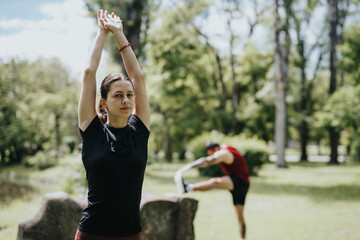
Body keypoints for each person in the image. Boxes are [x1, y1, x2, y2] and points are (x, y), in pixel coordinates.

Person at [76, 9, 150, 240]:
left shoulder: (140, 130)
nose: (126, 100)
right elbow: (89, 72)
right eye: (118, 95)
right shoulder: (91, 130)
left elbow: (138, 76)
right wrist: (102, 32)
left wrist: (119, 33)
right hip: (92, 233)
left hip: (131, 234)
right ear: (103, 103)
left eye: (129, 95)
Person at [182, 141, 250, 240]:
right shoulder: (225, 147)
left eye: (211, 153)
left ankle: (188, 187)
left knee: (215, 182)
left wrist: (189, 166)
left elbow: (209, 161)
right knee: (239, 215)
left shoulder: (223, 153)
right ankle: (243, 238)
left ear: (215, 149)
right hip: (244, 182)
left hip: (239, 180)